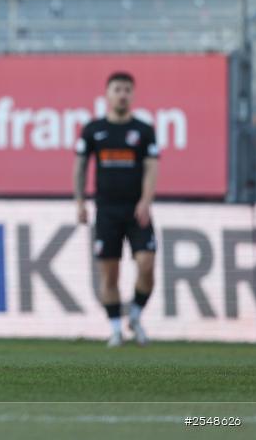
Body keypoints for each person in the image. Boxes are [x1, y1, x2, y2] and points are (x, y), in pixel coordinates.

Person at [74, 71, 159, 347]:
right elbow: (80, 166)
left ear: (133, 94)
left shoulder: (144, 130)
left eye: (127, 90)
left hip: (136, 211)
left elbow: (152, 168)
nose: (122, 94)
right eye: (117, 89)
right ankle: (115, 331)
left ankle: (134, 315)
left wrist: (146, 201)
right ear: (107, 94)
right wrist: (80, 202)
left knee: (146, 264)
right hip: (107, 211)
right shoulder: (93, 129)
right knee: (109, 274)